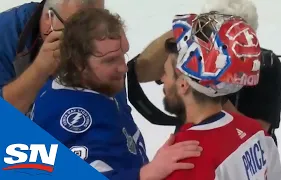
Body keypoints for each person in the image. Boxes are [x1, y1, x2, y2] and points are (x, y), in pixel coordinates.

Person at [29, 8, 203, 180]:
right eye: (110, 60)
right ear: (78, 63)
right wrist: (145, 174)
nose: (123, 67)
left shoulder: (103, 83)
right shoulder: (61, 117)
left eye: (123, 55)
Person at [127, 0, 281, 145]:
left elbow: (258, 134)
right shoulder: (192, 53)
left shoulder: (266, 66)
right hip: (193, 142)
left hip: (237, 152)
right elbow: (140, 72)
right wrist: (184, 32)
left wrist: (211, 89)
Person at [160, 11, 281, 180]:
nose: (161, 79)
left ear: (183, 84)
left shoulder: (183, 160)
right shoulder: (256, 133)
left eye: (165, 73)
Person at [0, 0, 104, 113]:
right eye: (77, 31)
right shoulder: (5, 33)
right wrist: (39, 70)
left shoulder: (105, 36)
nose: (86, 42)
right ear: (48, 18)